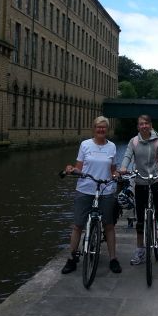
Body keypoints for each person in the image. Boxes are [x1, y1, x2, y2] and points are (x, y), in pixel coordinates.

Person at [61, 116, 122, 275]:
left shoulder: (112, 147)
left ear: (107, 129)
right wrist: (71, 170)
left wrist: (117, 174)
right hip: (85, 189)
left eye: (103, 127)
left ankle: (113, 259)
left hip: (105, 190)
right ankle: (72, 259)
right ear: (94, 129)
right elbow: (79, 167)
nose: (101, 129)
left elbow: (112, 170)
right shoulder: (85, 145)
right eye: (98, 127)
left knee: (109, 225)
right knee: (78, 225)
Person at [119, 114, 158, 264]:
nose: (144, 126)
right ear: (138, 127)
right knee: (140, 218)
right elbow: (127, 156)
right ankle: (140, 249)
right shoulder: (133, 142)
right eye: (141, 124)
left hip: (157, 180)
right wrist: (123, 167)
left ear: (151, 126)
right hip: (141, 181)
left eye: (146, 123)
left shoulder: (157, 141)